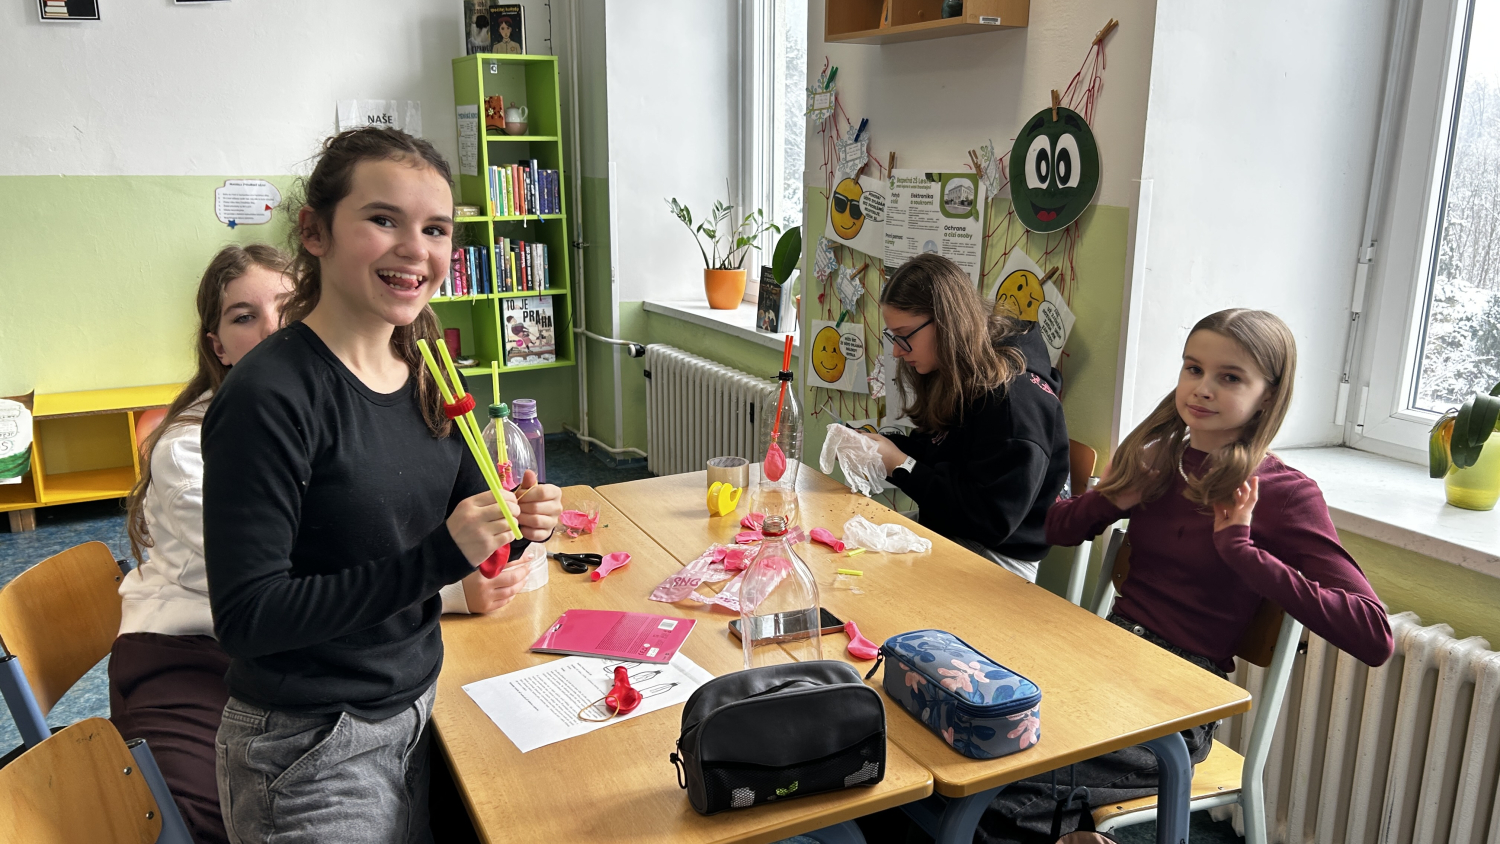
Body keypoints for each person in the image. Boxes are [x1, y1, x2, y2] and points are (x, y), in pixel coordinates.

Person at [202, 127, 560, 843]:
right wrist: (440, 557)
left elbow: (479, 528)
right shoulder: (269, 394)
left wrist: (522, 522)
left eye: (435, 229)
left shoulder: (425, 367)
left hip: (419, 710)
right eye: (383, 219)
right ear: (315, 232)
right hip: (308, 746)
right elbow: (247, 617)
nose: (415, 249)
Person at [980, 308, 1394, 842]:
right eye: (1193, 368)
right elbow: (1057, 528)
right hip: (1101, 662)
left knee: (995, 791)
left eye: (1230, 377)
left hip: (1177, 707)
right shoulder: (1160, 459)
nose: (1202, 388)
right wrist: (1116, 496)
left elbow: (1373, 635)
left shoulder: (1285, 493)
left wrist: (1241, 550)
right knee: (971, 736)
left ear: (1267, 395)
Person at [859, 253, 1069, 582]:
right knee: (852, 553)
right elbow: (940, 452)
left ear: (946, 323)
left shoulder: (1013, 401)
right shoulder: (958, 365)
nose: (897, 350)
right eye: (893, 336)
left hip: (998, 555)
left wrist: (902, 466)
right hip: (953, 527)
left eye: (905, 335)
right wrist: (880, 447)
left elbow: (990, 519)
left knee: (871, 580)